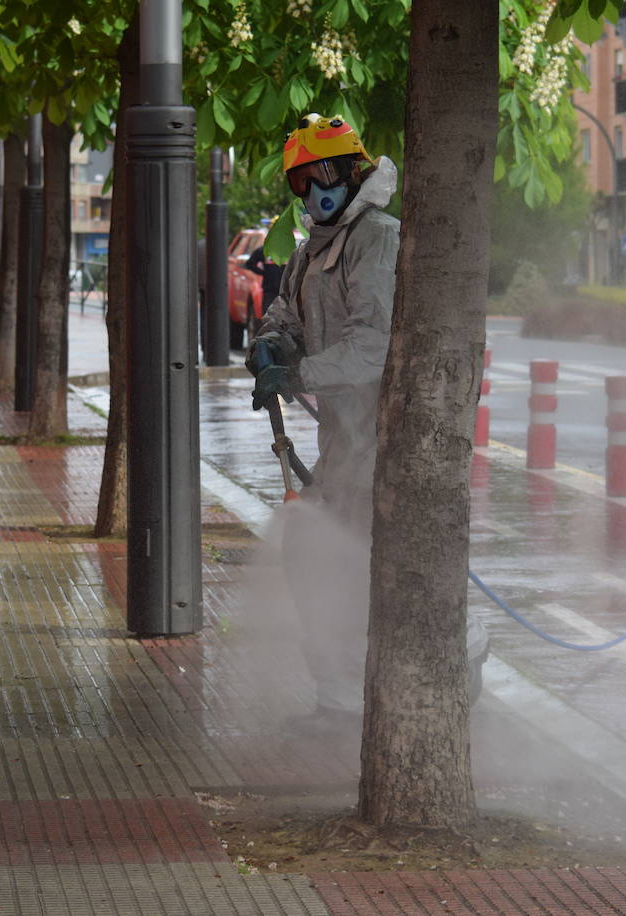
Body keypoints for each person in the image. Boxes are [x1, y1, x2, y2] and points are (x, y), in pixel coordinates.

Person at [244, 113, 487, 732]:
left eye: (325, 173)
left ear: (354, 170)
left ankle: (461, 652)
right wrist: (269, 345)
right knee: (318, 558)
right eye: (303, 181)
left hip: (389, 445)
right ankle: (339, 694)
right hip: (344, 446)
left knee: (376, 570)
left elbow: (373, 347)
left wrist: (296, 376)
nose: (315, 190)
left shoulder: (377, 239)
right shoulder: (310, 253)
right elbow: (284, 315)